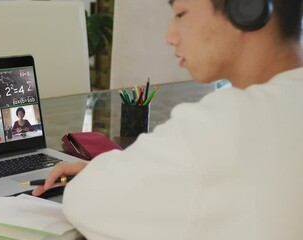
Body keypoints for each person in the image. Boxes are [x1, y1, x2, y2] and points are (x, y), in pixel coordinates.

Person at [33, 0, 303, 239]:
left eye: (181, 14)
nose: (169, 36)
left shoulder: (227, 123)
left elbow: (86, 201)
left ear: (246, 8)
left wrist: (102, 175)